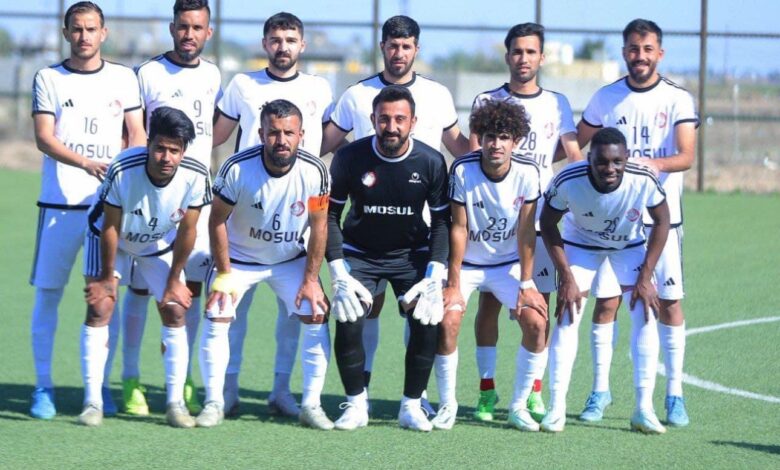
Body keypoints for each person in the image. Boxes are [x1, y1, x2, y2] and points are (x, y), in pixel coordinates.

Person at [321, 15, 469, 411]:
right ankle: (361, 392)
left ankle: (417, 398)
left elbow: (460, 148)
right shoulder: (356, 95)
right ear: (382, 47)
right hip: (366, 225)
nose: (399, 52)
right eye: (392, 45)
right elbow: (324, 144)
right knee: (362, 309)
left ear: (416, 49)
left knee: (422, 312)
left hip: (419, 232)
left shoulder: (437, 94)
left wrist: (498, 163)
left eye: (406, 46)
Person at [211, 12, 334, 417]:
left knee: (298, 313)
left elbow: (331, 137)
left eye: (290, 39)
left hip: (293, 219)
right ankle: (225, 393)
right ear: (265, 43)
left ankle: (284, 393)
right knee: (229, 312)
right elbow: (215, 136)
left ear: (303, 45)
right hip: (245, 213)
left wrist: (302, 174)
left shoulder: (319, 88)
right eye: (276, 39)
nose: (283, 46)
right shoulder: (243, 84)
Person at [575, 19, 698, 427]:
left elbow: (686, 156)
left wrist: (647, 165)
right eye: (632, 48)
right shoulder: (606, 97)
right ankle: (600, 390)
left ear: (659, 53)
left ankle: (674, 395)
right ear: (624, 51)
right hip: (612, 222)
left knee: (668, 302)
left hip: (662, 220)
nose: (639, 56)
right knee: (606, 302)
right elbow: (576, 142)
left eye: (647, 49)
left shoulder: (677, 98)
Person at [29, 1, 145, 420]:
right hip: (59, 207)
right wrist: (86, 163)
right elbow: (44, 138)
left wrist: (121, 174)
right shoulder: (48, 77)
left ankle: (100, 389)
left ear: (103, 33)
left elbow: (137, 134)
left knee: (104, 298)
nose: (84, 36)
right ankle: (43, 387)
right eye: (76, 29)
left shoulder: (124, 77)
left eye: (91, 29)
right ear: (66, 34)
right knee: (48, 295)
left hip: (107, 210)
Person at [467, 22, 582, 423]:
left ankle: (533, 391)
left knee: (537, 306)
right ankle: (486, 389)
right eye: (517, 51)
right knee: (488, 305)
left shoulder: (557, 103)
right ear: (507, 56)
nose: (523, 58)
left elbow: (572, 154)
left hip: (538, 220)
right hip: (494, 222)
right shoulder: (487, 100)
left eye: (531, 52)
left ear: (542, 57)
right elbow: (473, 157)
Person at [195, 99, 332, 430]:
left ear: (301, 135)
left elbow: (320, 226)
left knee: (315, 312)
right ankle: (217, 400)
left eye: (288, 133)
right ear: (260, 134)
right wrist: (224, 274)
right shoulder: (236, 168)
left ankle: (306, 403)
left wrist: (311, 280)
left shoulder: (316, 171)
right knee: (218, 315)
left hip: (288, 259)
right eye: (273, 133)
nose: (281, 140)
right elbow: (216, 221)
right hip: (239, 260)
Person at [325, 85, 450, 432]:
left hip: (411, 254)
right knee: (349, 317)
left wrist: (434, 275)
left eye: (399, 119)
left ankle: (411, 406)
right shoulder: (349, 157)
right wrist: (337, 271)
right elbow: (330, 217)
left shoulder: (431, 161)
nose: (391, 127)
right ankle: (356, 404)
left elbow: (442, 221)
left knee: (426, 318)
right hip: (360, 252)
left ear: (413, 122)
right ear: (372, 119)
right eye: (384, 119)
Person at [78, 106, 210, 427]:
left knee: (175, 309)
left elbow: (188, 230)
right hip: (110, 237)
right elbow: (110, 226)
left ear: (184, 151)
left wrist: (175, 279)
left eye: (174, 150)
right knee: (100, 306)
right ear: (149, 143)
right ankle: (93, 402)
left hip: (155, 242)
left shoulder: (196, 174)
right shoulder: (124, 167)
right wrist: (107, 278)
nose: (166, 157)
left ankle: (175, 404)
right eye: (160, 148)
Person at [539, 127, 670, 434]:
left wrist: (645, 277)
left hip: (628, 246)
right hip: (581, 244)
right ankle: (557, 408)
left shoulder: (643, 178)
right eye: (601, 162)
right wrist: (566, 275)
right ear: (589, 159)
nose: (609, 168)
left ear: (626, 159)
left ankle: (644, 409)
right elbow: (547, 222)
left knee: (645, 313)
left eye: (617, 162)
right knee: (568, 315)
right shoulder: (568, 179)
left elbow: (662, 221)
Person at [125, 0, 221, 417]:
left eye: (197, 28)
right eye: (183, 26)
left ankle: (183, 379)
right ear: (172, 28)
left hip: (195, 199)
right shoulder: (147, 73)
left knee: (189, 290)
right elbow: (132, 134)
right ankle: (130, 378)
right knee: (139, 289)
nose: (189, 35)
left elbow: (213, 134)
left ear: (208, 33)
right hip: (150, 198)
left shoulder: (213, 74)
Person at [432, 100, 547, 431]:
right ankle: (448, 405)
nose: (496, 144)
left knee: (536, 323)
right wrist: (453, 284)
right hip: (468, 265)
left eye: (504, 137)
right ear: (479, 138)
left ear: (516, 141)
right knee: (447, 322)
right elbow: (458, 228)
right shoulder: (463, 169)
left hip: (507, 265)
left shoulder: (528, 172)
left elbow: (527, 230)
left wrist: (527, 283)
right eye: (490, 137)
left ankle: (518, 406)